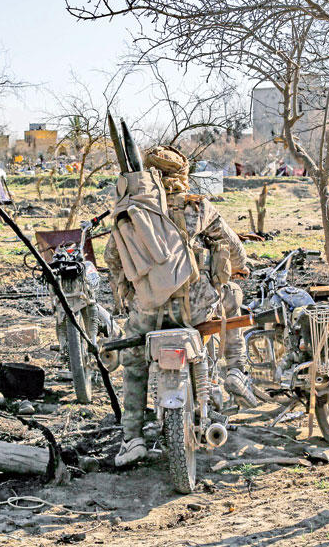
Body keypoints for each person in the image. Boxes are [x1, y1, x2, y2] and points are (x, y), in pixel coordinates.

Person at [105, 145, 258, 466]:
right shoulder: (198, 207)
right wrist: (238, 265)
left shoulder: (132, 211)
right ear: (182, 174)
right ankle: (235, 370)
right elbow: (234, 249)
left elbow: (112, 258)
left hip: (148, 311)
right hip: (196, 309)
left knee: (134, 364)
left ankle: (131, 436)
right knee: (231, 297)